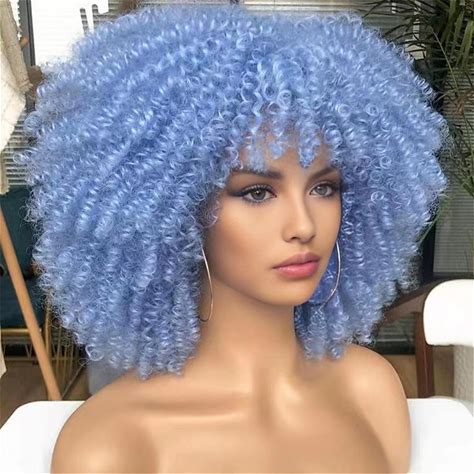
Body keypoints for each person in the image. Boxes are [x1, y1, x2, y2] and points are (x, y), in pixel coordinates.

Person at [15, 3, 450, 472]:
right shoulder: (115, 448)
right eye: (257, 192)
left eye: (324, 188)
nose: (304, 225)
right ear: (174, 208)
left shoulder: (372, 392)